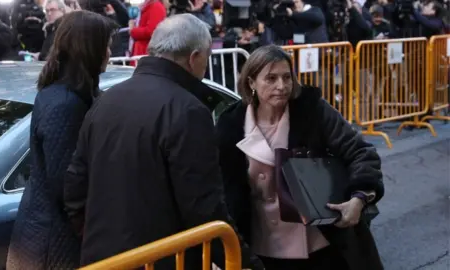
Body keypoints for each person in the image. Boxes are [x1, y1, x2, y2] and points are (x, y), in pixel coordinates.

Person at [63, 13, 264, 270]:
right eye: (207, 58)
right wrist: (244, 261)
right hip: (163, 260)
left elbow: (74, 189)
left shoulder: (107, 99)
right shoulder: (189, 111)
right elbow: (203, 208)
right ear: (194, 58)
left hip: (103, 259)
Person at [216, 45, 385, 270]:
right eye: (271, 78)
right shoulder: (231, 125)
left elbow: (361, 152)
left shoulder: (311, 110)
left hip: (322, 243)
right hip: (262, 250)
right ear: (251, 83)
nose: (281, 86)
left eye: (287, 77)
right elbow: (220, 189)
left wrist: (359, 198)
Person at [6, 11, 117, 270]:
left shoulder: (66, 94)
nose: (110, 53)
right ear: (90, 48)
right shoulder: (65, 104)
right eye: (106, 46)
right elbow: (65, 185)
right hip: (52, 246)